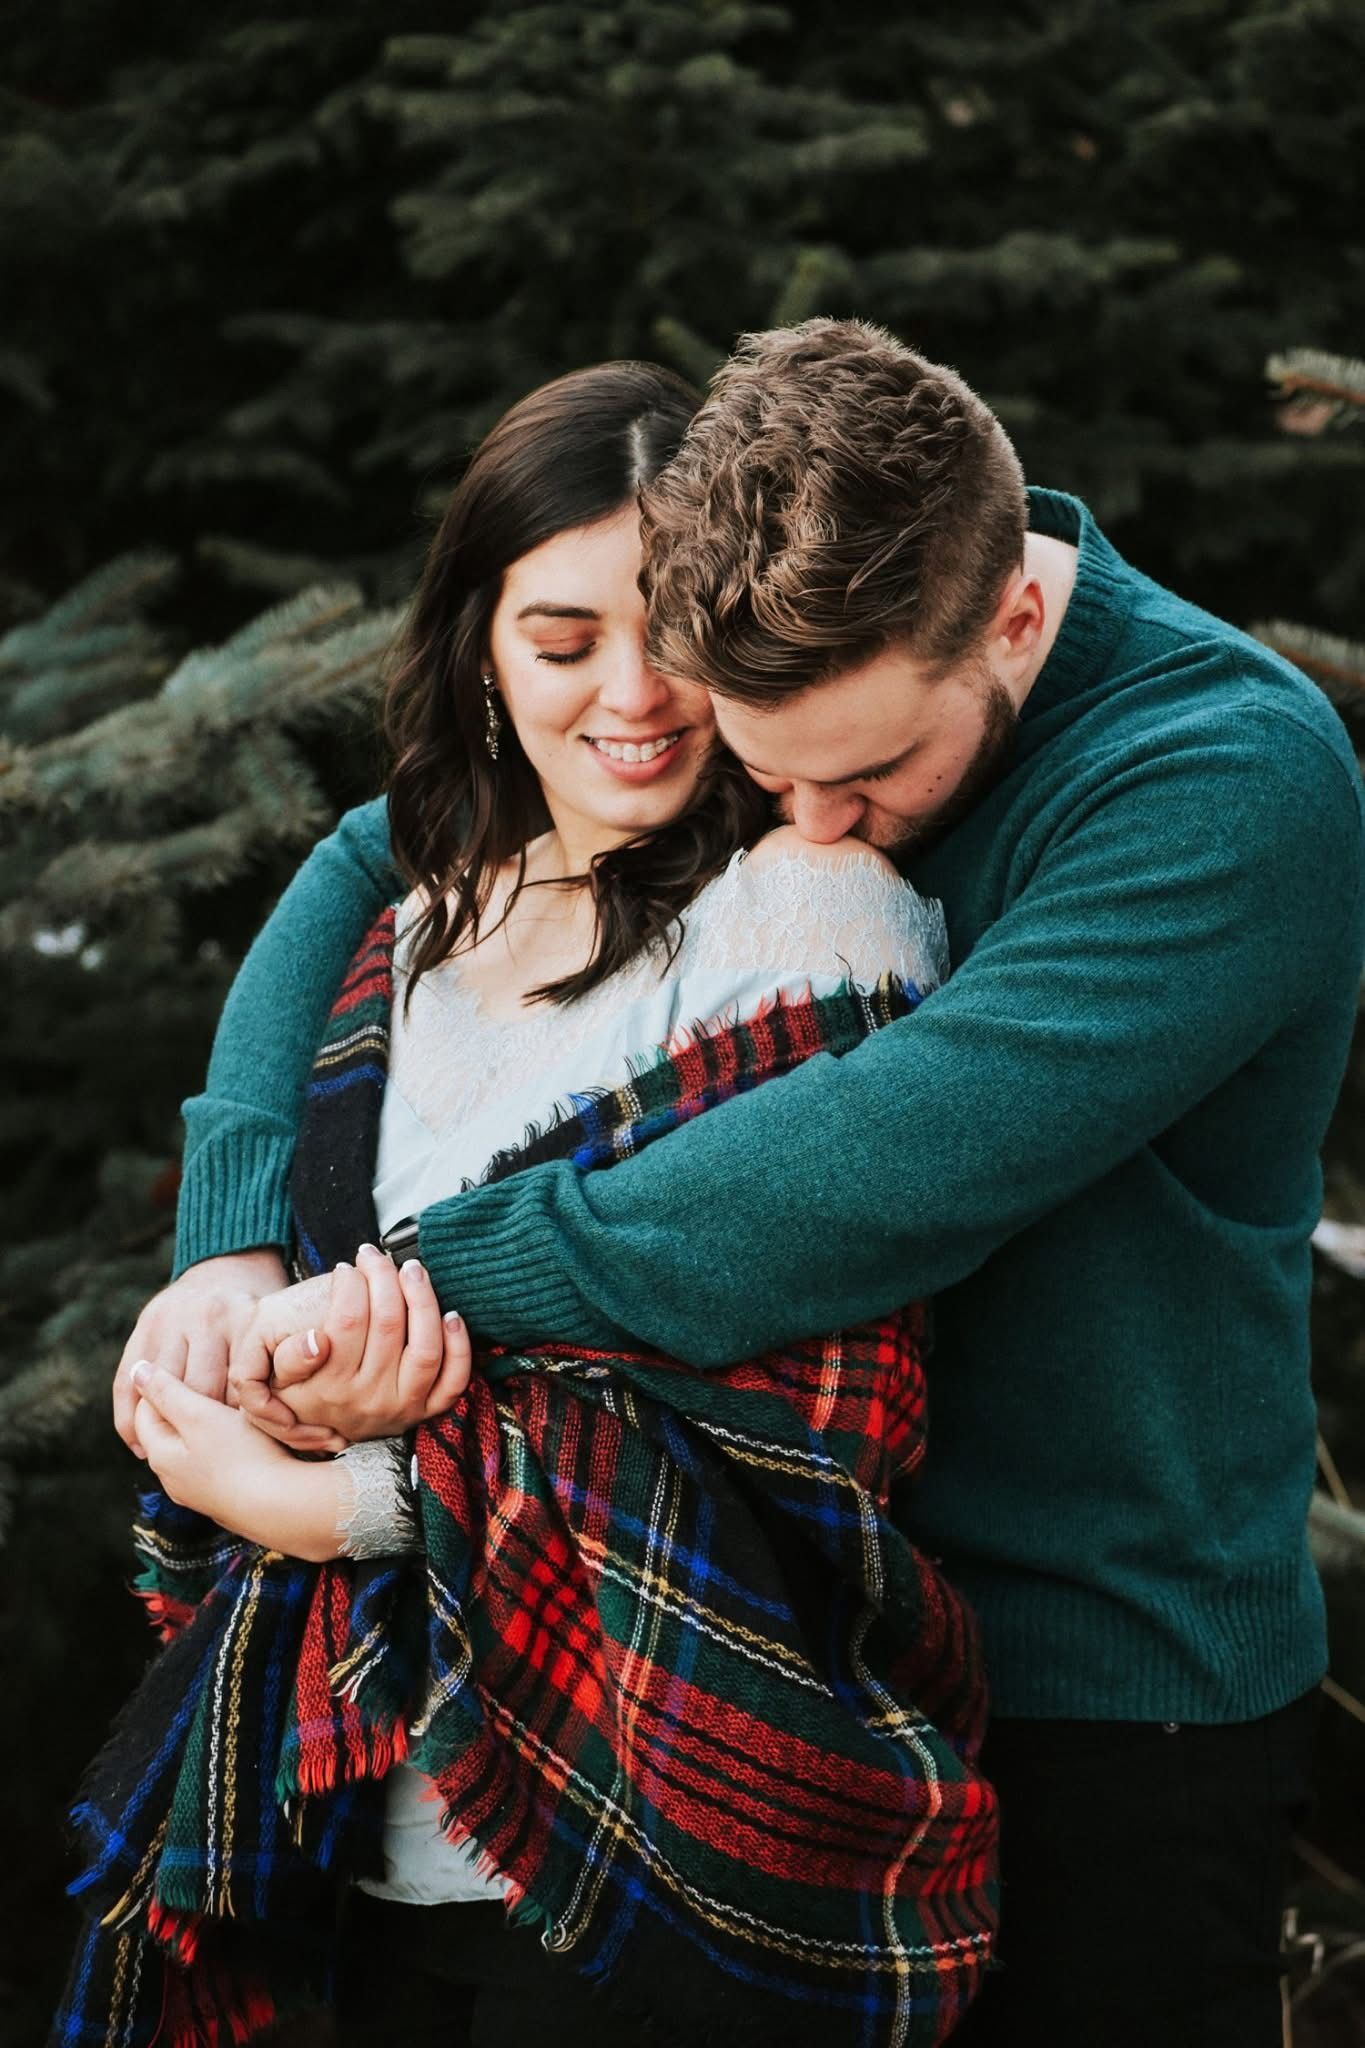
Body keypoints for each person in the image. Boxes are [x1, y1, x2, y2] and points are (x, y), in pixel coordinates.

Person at [121, 318, 1365, 2047]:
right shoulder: (807, 666)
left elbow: (879, 1164)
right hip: (768, 1652)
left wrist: (413, 1288)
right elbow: (380, 847)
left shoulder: (1221, 777)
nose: (811, 827)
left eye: (863, 777)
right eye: (759, 763)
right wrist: (235, 1238)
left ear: (1011, 614)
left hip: (1093, 1679)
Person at [70, 359, 993, 2048]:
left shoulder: (807, 921)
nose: (631, 695)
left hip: (650, 1806)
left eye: (674, 633)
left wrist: (357, 1500)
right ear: (481, 654)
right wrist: (233, 1313)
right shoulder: (410, 926)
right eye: (561, 642)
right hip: (346, 1803)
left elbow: (796, 1400)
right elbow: (317, 1300)